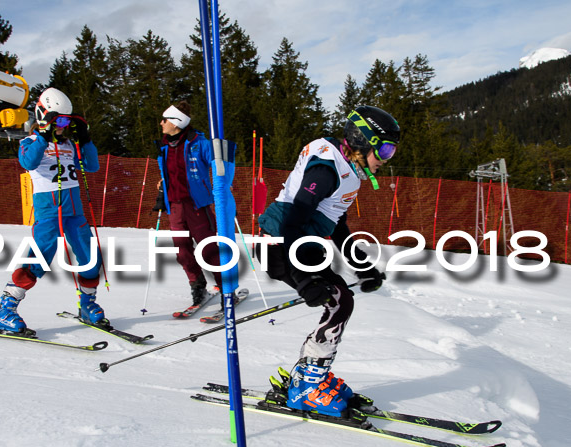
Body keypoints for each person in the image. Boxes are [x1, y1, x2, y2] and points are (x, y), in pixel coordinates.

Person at [256, 105, 400, 417]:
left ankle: (309, 375)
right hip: (280, 244)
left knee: (342, 300)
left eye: (392, 151)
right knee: (338, 302)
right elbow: (293, 222)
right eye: (385, 150)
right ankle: (308, 384)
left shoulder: (349, 172)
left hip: (301, 246)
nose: (387, 159)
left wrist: (363, 267)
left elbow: (338, 226)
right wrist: (305, 280)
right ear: (362, 141)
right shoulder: (325, 171)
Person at [0, 87, 106, 335]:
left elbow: (92, 166)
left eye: (67, 121)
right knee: (40, 255)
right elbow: (28, 162)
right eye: (58, 120)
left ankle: (88, 303)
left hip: (75, 210)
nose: (63, 126)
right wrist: (43, 136)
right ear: (44, 117)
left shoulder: (71, 144)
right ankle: (6, 308)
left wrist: (86, 140)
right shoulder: (30, 141)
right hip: (49, 210)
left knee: (90, 255)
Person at [155, 101, 236, 309]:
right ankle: (197, 285)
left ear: (176, 122)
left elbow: (219, 164)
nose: (161, 123)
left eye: (165, 120)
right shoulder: (164, 145)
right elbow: (171, 172)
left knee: (208, 249)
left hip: (197, 204)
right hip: (175, 205)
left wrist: (223, 183)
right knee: (182, 251)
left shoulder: (199, 143)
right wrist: (164, 182)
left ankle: (227, 290)